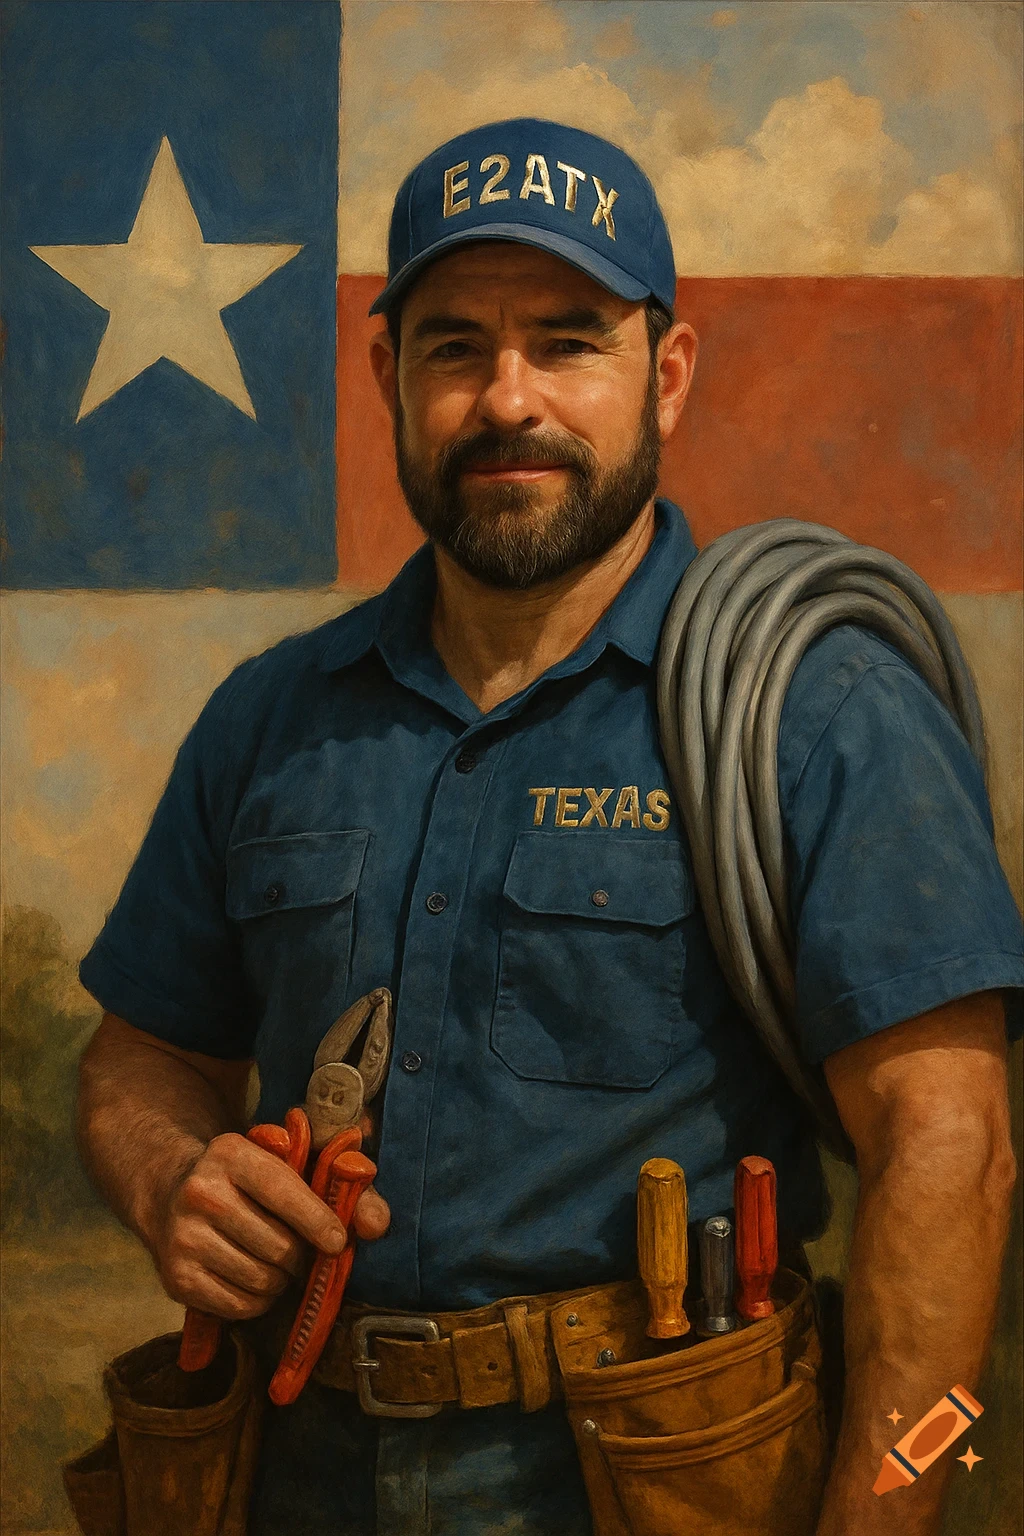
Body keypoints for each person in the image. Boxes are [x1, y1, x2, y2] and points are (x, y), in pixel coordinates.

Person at [77, 119, 1022, 1536]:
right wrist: (172, 1182)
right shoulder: (271, 720)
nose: (507, 398)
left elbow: (957, 1153)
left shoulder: (823, 716)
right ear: (389, 378)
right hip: (292, 1478)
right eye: (455, 347)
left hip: (664, 1482)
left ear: (669, 374)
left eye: (569, 342)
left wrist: (894, 1508)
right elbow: (140, 1058)